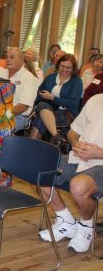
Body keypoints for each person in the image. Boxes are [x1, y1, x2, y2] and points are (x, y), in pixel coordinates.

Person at [38, 94, 103, 253]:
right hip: (78, 157)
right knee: (39, 171)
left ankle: (86, 227)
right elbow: (73, 132)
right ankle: (65, 220)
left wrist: (100, 153)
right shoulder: (95, 99)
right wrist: (75, 143)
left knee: (79, 186)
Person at [28, 54, 83, 148]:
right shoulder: (51, 77)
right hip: (46, 108)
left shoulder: (77, 82)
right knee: (42, 105)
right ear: (58, 65)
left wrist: (52, 98)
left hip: (66, 113)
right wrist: (38, 102)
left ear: (73, 68)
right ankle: (56, 136)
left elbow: (73, 103)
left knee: (41, 117)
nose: (65, 69)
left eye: (68, 67)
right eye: (62, 66)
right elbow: (39, 92)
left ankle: (30, 144)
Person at [6, 47, 38, 132]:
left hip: (18, 116)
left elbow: (23, 107)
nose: (8, 60)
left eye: (12, 57)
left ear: (21, 59)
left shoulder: (29, 78)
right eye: (7, 57)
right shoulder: (1, 73)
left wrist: (3, 116)